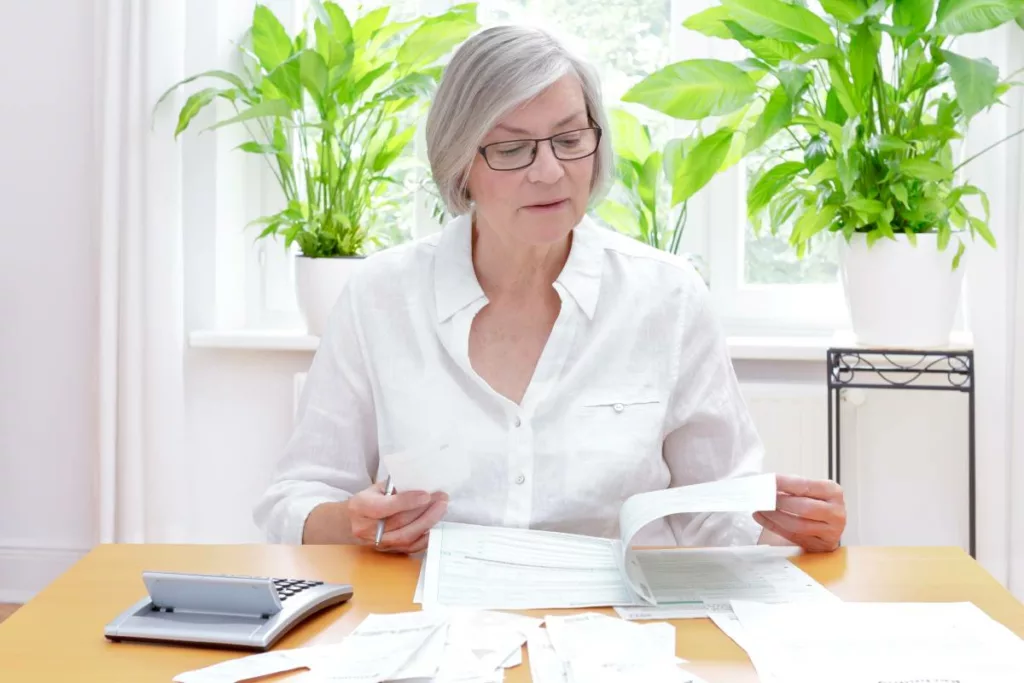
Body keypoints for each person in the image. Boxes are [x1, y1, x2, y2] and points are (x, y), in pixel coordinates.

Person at [253, 25, 846, 555]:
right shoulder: (379, 297)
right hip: (431, 623)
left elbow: (718, 516)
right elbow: (296, 496)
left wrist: (794, 528)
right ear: (460, 164)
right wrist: (353, 523)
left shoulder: (667, 297)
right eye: (512, 149)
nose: (549, 171)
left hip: (615, 632)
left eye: (569, 140)